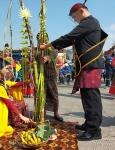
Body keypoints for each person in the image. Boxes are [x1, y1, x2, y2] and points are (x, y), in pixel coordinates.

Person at [39, 1, 108, 141]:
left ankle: (94, 130)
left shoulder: (89, 22)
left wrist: (48, 44)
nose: (75, 20)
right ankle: (89, 123)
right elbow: (70, 41)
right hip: (86, 66)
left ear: (81, 11)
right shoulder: (87, 24)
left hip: (91, 65)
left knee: (91, 98)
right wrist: (52, 46)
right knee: (86, 96)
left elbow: (69, 36)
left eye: (75, 16)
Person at [0, 58, 32, 137]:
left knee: (16, 104)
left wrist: (26, 82)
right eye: (6, 68)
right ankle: (14, 122)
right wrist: (22, 116)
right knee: (19, 104)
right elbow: (8, 102)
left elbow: (13, 84)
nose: (8, 71)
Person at [37, 33, 63, 122]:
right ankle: (42, 114)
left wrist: (47, 57)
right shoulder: (36, 50)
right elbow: (32, 58)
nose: (41, 42)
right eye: (39, 40)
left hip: (51, 76)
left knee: (54, 95)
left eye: (43, 40)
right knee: (41, 95)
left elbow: (54, 54)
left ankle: (56, 113)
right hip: (40, 76)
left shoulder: (52, 49)